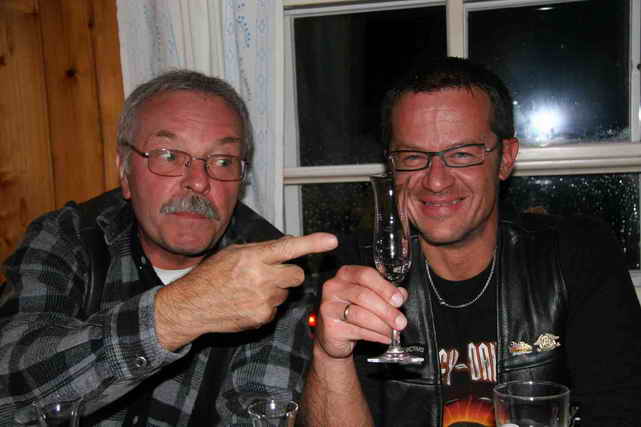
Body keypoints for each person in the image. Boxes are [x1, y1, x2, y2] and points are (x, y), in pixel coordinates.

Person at [301, 57, 641, 427]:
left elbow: (619, 412)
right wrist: (330, 356)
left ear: (505, 158)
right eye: (413, 157)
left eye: (462, 154)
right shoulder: (353, 274)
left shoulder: (575, 254)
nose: (436, 181)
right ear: (391, 167)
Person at [0, 70, 337, 425]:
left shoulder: (274, 274)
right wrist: (182, 312)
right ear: (125, 171)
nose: (198, 182)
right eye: (169, 156)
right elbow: (8, 391)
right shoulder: (70, 237)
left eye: (223, 161)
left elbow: (259, 414)